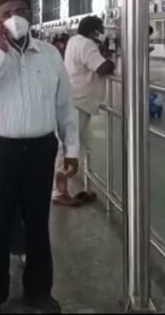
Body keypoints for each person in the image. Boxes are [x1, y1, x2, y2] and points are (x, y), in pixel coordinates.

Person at [0, 0, 79, 314]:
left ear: (31, 15)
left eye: (22, 10)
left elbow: (65, 106)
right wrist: (0, 55)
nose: (16, 16)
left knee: (38, 222)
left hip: (40, 150)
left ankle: (39, 290)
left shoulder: (49, 55)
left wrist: (72, 149)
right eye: (9, 11)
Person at [55, 16, 115, 207]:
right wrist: (110, 60)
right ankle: (58, 190)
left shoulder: (74, 41)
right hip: (78, 102)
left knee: (76, 145)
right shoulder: (87, 44)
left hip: (73, 99)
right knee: (71, 146)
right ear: (94, 31)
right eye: (100, 29)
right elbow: (102, 67)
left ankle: (62, 184)